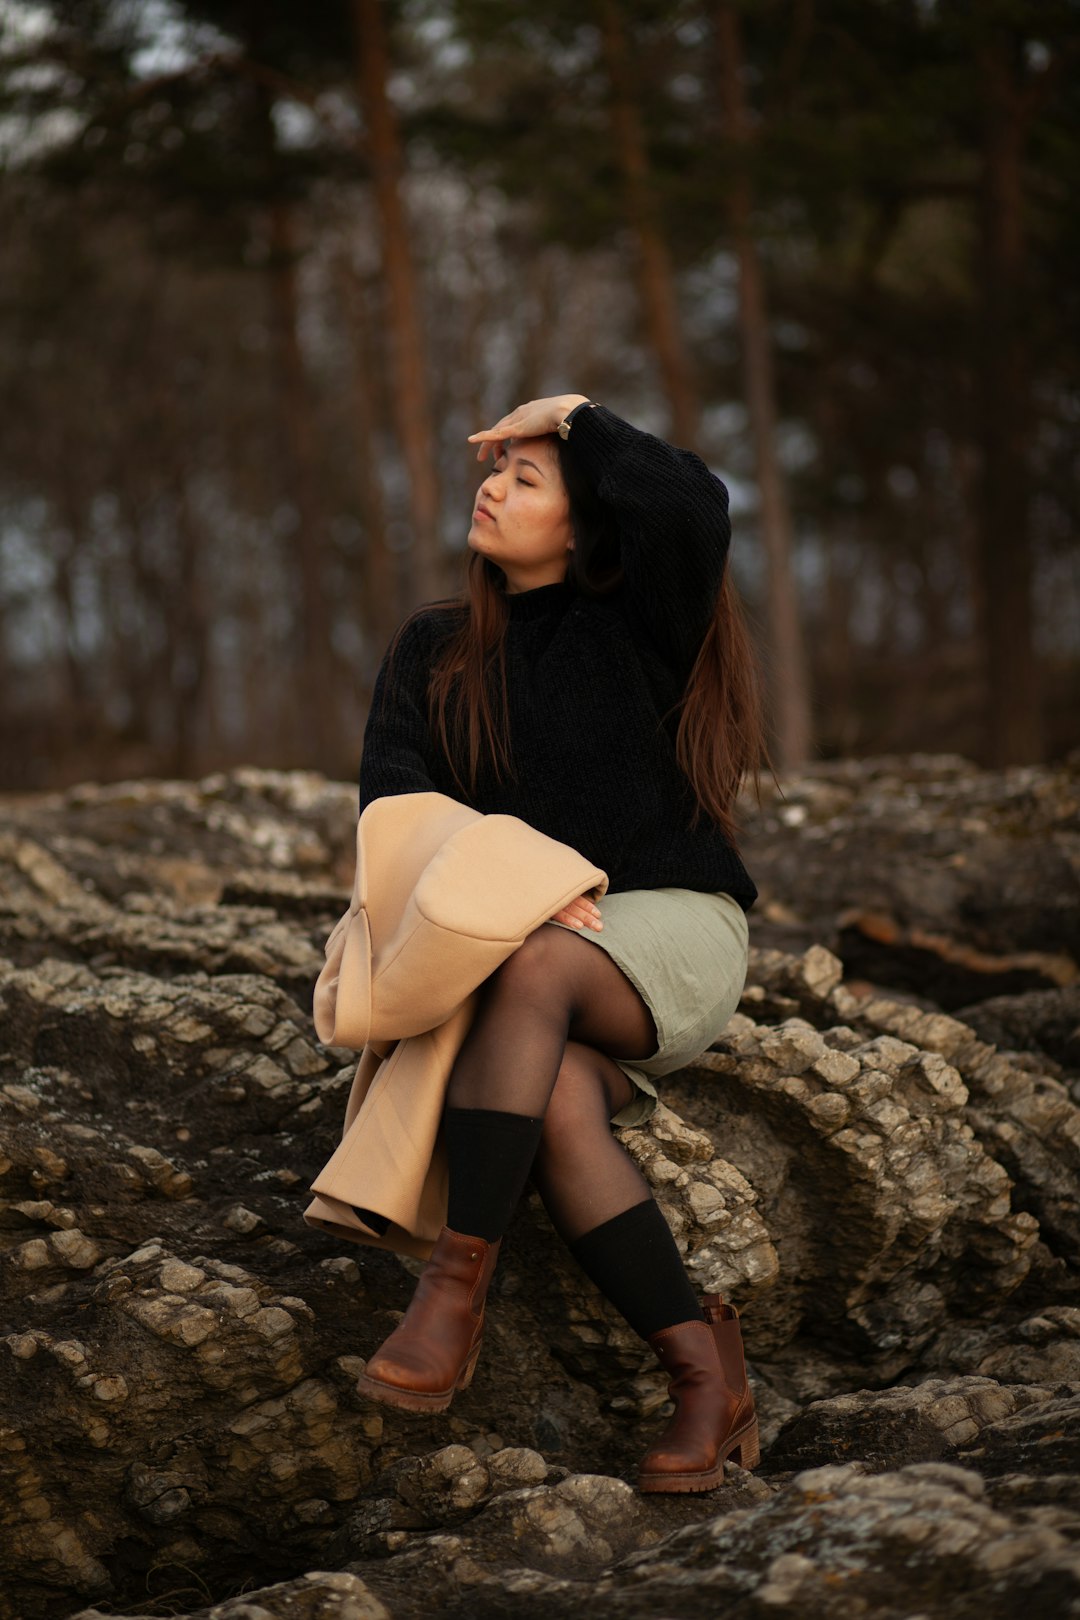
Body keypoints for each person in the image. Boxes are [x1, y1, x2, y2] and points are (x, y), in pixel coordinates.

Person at [352, 393, 769, 1491]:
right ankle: (704, 1379)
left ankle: (455, 1287)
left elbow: (691, 506)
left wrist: (577, 416)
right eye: (496, 472)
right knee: (558, 1105)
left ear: (583, 526)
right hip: (527, 951)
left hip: (669, 927)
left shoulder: (641, 619)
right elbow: (395, 813)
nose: (491, 486)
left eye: (528, 479)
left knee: (536, 968)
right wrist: (520, 884)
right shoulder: (435, 650)